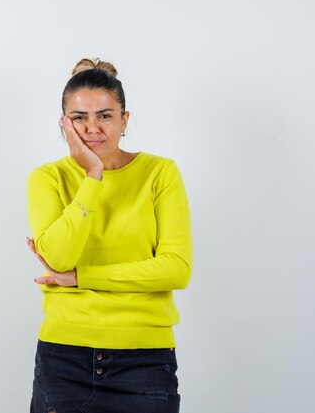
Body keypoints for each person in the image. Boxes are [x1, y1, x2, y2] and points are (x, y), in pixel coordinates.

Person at [26, 58, 192, 413]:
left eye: (105, 115)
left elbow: (176, 269)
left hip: (145, 362)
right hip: (64, 358)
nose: (92, 129)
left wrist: (82, 277)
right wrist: (93, 177)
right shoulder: (47, 179)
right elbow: (58, 258)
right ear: (64, 123)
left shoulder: (160, 174)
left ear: (125, 120)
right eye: (79, 118)